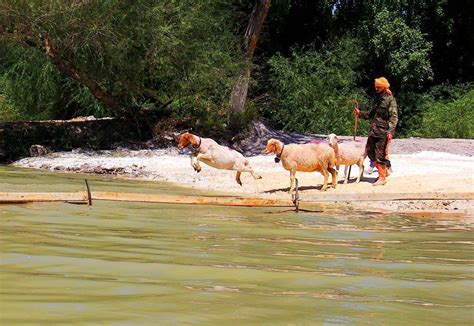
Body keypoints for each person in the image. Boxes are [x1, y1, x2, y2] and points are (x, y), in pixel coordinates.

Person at [354, 77, 398, 186]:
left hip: (383, 132)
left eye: (378, 87)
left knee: (380, 155)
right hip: (373, 131)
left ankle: (382, 178)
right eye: (376, 86)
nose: (376, 88)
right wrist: (360, 113)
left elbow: (394, 117)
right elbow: (371, 114)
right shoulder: (377, 99)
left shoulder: (390, 99)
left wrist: (390, 131)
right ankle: (384, 172)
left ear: (383, 87)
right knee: (370, 152)